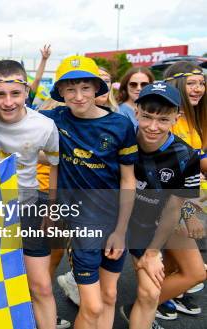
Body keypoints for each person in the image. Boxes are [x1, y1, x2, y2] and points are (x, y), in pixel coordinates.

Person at [42, 55, 137, 329]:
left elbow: (128, 181)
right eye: (70, 89)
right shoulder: (54, 119)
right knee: (92, 305)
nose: (79, 96)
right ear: (60, 92)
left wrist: (121, 230)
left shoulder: (120, 125)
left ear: (97, 88)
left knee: (109, 295)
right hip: (80, 224)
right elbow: (12, 116)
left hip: (115, 222)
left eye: (85, 87)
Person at [0, 60, 69, 329]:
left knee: (41, 287)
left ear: (26, 92)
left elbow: (55, 166)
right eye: (0, 94)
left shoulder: (44, 126)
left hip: (29, 208)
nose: (8, 102)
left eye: (15, 93)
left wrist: (53, 208)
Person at [116, 82, 200, 329]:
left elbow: (175, 208)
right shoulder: (120, 139)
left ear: (177, 117)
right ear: (136, 111)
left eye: (163, 120)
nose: (153, 127)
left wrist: (153, 252)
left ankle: (139, 310)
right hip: (127, 221)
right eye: (147, 117)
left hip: (161, 220)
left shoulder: (187, 156)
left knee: (194, 272)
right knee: (149, 293)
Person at [153, 61, 207, 321]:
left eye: (202, 82)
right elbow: (171, 180)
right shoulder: (169, 121)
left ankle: (164, 297)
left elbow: (199, 163)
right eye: (192, 83)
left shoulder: (193, 118)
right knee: (192, 270)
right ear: (177, 84)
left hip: (188, 203)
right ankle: (145, 306)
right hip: (167, 207)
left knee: (177, 265)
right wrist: (189, 213)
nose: (199, 88)